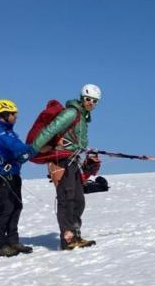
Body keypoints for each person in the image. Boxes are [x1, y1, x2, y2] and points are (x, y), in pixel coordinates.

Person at [30, 84, 102, 250]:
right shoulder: (72, 112)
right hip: (62, 160)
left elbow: (78, 140)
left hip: (73, 160)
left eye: (95, 101)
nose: (91, 103)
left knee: (79, 200)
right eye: (88, 99)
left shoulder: (83, 118)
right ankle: (68, 239)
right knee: (67, 199)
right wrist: (33, 149)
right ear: (82, 98)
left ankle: (75, 234)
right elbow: (51, 129)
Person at [0, 99, 37, 257]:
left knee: (17, 206)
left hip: (14, 173)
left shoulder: (9, 131)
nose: (16, 117)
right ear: (4, 115)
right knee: (6, 207)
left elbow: (18, 150)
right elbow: (17, 147)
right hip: (2, 174)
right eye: (13, 114)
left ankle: (13, 241)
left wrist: (28, 152)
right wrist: (34, 147)